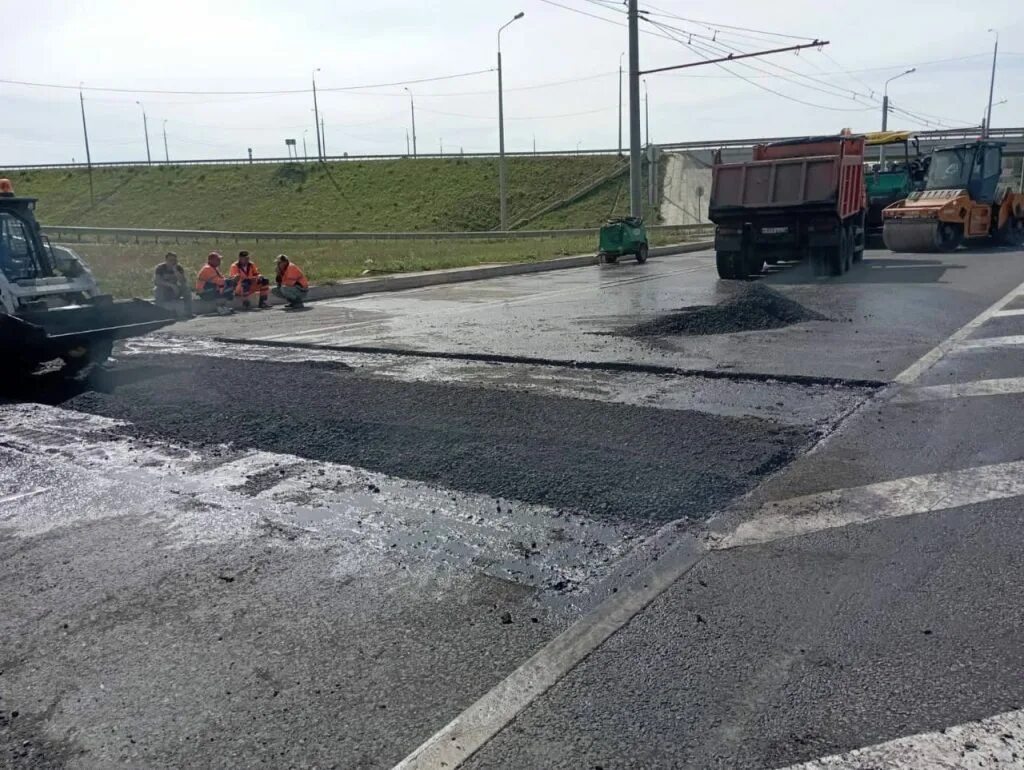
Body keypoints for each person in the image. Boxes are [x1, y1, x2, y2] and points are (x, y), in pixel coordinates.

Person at [195, 251, 236, 316]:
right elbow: (218, 281)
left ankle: (222, 307)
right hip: (204, 292)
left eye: (219, 259)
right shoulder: (207, 268)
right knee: (226, 287)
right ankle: (219, 307)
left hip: (209, 290)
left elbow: (221, 279)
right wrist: (230, 281)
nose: (219, 261)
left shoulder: (213, 268)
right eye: (217, 259)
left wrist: (230, 280)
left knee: (229, 287)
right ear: (211, 260)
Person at [153, 252, 193, 318]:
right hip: (164, 291)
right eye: (170, 260)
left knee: (186, 288)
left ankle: (188, 312)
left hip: (175, 291)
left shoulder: (179, 268)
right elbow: (157, 281)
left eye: (174, 260)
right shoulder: (160, 268)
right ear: (166, 260)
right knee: (158, 289)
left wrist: (175, 271)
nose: (173, 262)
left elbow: (183, 281)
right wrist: (171, 285)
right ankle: (159, 314)